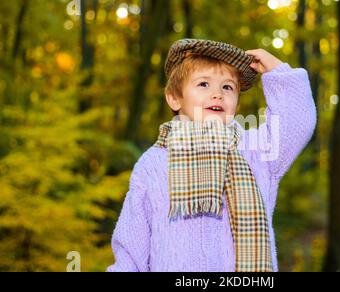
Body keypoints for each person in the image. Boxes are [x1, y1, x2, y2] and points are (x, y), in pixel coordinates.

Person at [107, 39, 317, 272]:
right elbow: (131, 249)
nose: (217, 94)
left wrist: (278, 71)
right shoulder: (154, 163)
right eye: (204, 84)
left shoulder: (256, 151)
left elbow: (296, 124)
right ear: (175, 99)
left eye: (228, 87)